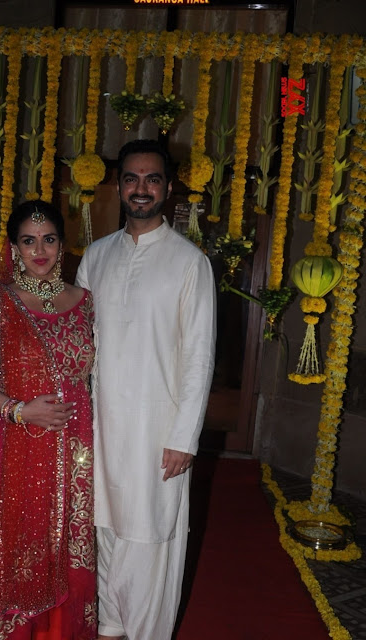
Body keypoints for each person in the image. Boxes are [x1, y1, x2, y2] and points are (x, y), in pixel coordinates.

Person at [76, 139, 216, 640]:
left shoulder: (189, 262)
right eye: (132, 179)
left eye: (152, 179)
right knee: (103, 524)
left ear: (168, 188)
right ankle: (111, 623)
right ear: (118, 186)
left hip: (158, 428)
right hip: (100, 422)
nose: (141, 188)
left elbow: (199, 356)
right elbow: (79, 343)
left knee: (151, 534)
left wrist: (184, 437)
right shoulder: (95, 256)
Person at [0, 200, 97, 640]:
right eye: (29, 241)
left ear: (62, 245)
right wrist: (20, 410)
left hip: (77, 449)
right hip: (18, 446)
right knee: (20, 547)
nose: (39, 250)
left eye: (48, 239)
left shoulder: (85, 302)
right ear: (14, 248)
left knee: (69, 544)